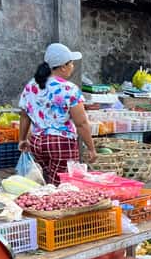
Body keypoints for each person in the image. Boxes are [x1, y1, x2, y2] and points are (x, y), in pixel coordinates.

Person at [18, 42, 97, 185]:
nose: (73, 67)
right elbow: (81, 123)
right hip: (61, 143)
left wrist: (22, 139)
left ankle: (41, 206)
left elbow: (24, 115)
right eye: (71, 63)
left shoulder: (32, 85)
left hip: (37, 142)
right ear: (63, 67)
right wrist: (91, 148)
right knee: (61, 186)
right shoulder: (69, 89)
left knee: (44, 182)